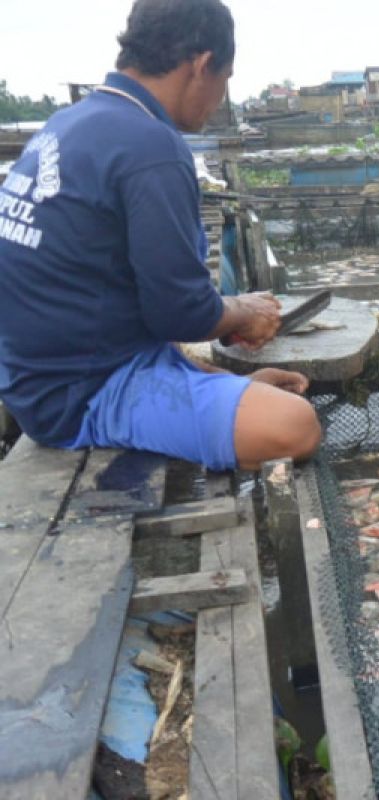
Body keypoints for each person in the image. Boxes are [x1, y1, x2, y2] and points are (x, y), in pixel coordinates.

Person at [0, 0, 321, 471]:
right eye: (226, 80)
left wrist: (229, 384)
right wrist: (243, 311)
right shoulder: (152, 146)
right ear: (203, 64)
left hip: (40, 378)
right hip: (81, 397)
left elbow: (128, 309)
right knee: (296, 426)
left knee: (259, 401)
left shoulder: (71, 122)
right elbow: (182, 313)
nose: (219, 100)